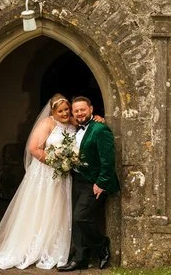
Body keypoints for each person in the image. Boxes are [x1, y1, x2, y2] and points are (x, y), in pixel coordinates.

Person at [0, 94, 75, 269]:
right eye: (60, 111)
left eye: (67, 109)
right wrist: (56, 163)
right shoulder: (47, 123)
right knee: (40, 207)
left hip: (62, 175)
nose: (64, 113)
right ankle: (31, 246)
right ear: (53, 111)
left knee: (57, 208)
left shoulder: (71, 124)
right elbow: (33, 148)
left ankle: (52, 247)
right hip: (45, 173)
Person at [58, 96, 120, 272]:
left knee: (81, 217)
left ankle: (102, 245)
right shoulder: (76, 129)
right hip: (78, 180)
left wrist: (101, 182)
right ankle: (80, 259)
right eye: (76, 111)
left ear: (91, 109)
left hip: (94, 182)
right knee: (76, 221)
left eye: (82, 110)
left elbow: (108, 160)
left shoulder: (100, 129)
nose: (79, 113)